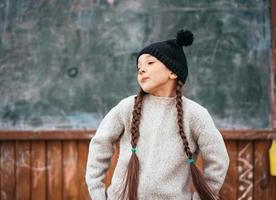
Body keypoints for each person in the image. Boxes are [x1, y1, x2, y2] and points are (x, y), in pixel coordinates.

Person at [85, 29, 230, 200]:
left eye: (150, 63)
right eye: (139, 66)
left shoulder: (196, 115)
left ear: (173, 72)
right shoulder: (126, 107)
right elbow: (100, 144)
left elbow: (218, 161)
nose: (141, 70)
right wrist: (97, 193)